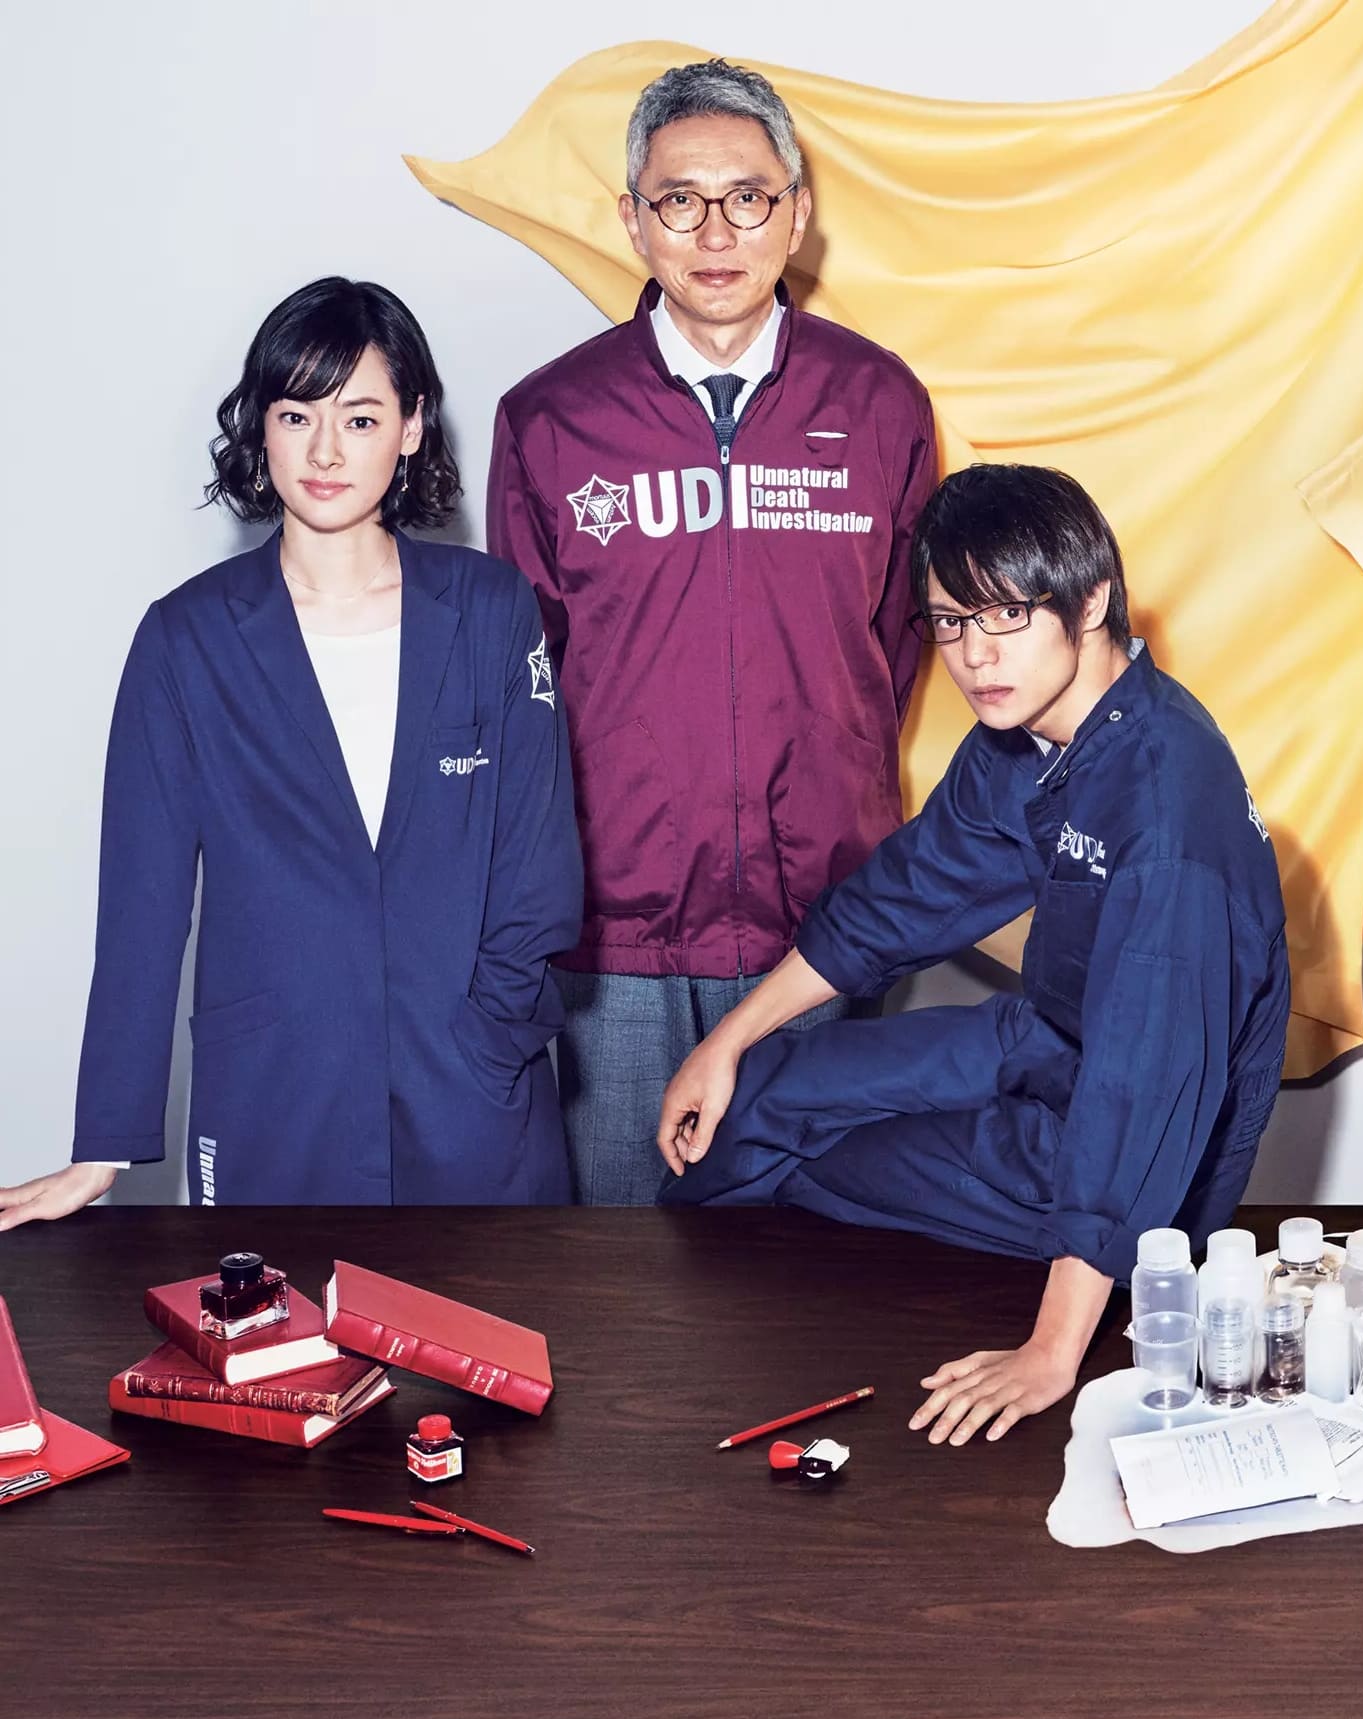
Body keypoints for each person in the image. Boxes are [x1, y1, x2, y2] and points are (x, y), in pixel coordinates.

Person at [657, 464, 1290, 1442]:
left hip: (1130, 1147)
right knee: (750, 1099)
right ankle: (681, 1325)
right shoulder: (1030, 732)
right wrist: (725, 1041)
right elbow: (899, 898)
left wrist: (1050, 1353)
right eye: (952, 622)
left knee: (809, 1153)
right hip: (1042, 1043)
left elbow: (1143, 1085)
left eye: (1006, 616)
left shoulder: (1169, 807)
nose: (974, 655)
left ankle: (736, 1364)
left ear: (1092, 602)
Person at [6, 278, 578, 1228]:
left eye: (360, 418)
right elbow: (143, 904)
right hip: (273, 1099)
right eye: (296, 414)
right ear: (261, 429)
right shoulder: (185, 639)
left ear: (411, 427)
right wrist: (101, 1146)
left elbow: (538, 870)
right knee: (275, 1327)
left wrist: (486, 1035)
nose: (325, 451)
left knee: (492, 1325)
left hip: (474, 1097)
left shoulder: (492, 610)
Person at [488, 57, 940, 1206]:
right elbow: (525, 679)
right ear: (633, 221)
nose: (716, 232)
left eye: (746, 197)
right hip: (617, 933)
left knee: (814, 1265)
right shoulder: (550, 421)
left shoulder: (880, 403)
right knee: (628, 1268)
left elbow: (895, 644)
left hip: (824, 927)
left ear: (796, 211)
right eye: (679, 201)